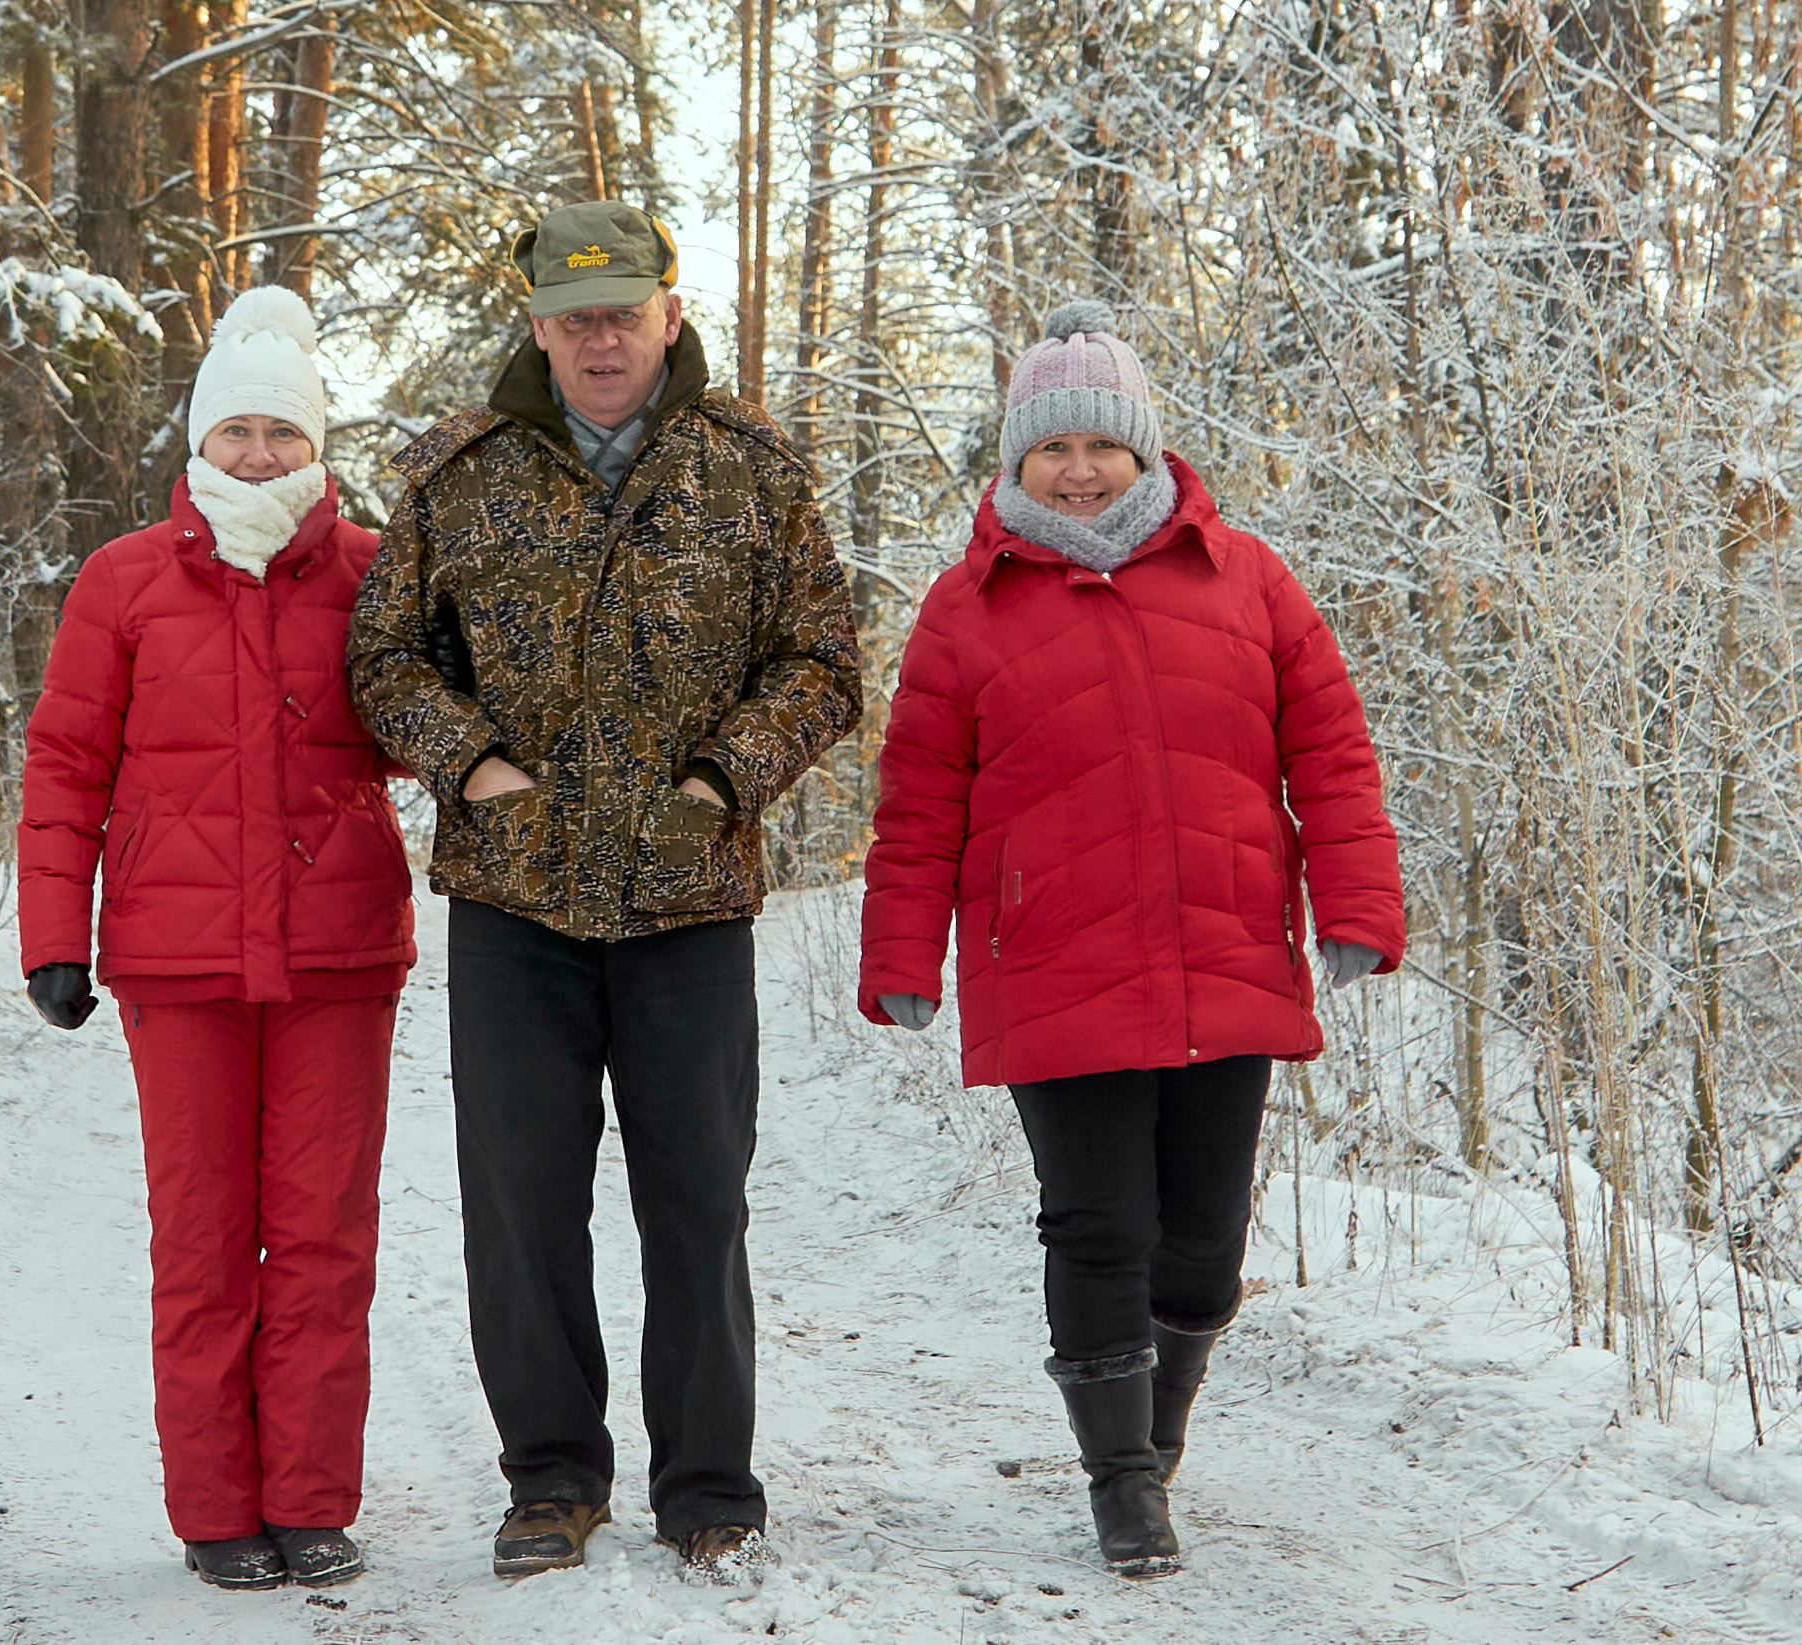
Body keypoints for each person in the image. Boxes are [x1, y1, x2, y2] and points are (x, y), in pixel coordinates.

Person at [346, 201, 861, 1582]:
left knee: (697, 1199)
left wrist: (718, 783)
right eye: (571, 315)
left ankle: (707, 1484)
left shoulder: (747, 474)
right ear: (532, 326)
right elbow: (385, 661)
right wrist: (474, 769)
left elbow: (820, 663)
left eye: (620, 309)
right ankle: (551, 1477)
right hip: (513, 907)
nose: (597, 334)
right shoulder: (459, 478)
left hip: (688, 902)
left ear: (668, 316)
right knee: (520, 1204)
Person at [857, 298, 1405, 1579]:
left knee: (1204, 1240)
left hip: (1222, 948)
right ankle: (1119, 1481)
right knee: (1097, 1223)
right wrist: (900, 959)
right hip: (1052, 960)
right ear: (1015, 461)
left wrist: (1357, 907)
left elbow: (1330, 751)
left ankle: (1153, 1440)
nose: (1080, 468)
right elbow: (919, 798)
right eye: (1052, 448)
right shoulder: (964, 607)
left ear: (1145, 448)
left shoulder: (1247, 576)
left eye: (1101, 443)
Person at [18, 287, 414, 1593]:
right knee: (202, 1241)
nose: (258, 455)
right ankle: (212, 1511)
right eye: (237, 431)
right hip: (177, 963)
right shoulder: (123, 580)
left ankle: (308, 1500)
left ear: (315, 447)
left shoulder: (369, 573)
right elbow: (66, 765)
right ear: (201, 439)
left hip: (335, 959)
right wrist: (50, 935)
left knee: (320, 1239)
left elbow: (434, 727)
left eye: (281, 435)